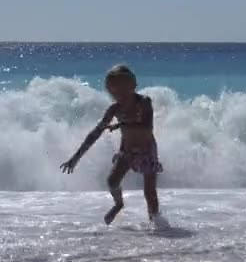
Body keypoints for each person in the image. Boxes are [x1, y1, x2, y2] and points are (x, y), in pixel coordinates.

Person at [60, 65, 167, 227]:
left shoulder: (144, 102)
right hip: (127, 150)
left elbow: (147, 128)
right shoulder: (114, 109)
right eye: (114, 92)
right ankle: (118, 204)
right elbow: (95, 133)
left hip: (146, 150)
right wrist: (75, 158)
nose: (119, 96)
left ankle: (157, 223)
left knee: (149, 192)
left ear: (133, 86)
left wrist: (121, 124)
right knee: (112, 182)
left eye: (123, 91)